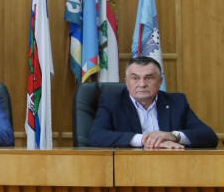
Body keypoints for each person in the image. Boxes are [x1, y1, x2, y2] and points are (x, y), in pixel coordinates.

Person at [89, 56, 218, 149]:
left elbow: (209, 136)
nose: (142, 84)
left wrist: (174, 136)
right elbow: (96, 136)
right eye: (135, 78)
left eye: (149, 78)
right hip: (128, 167)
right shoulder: (112, 102)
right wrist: (145, 140)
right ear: (127, 82)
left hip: (170, 166)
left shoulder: (177, 102)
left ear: (160, 81)